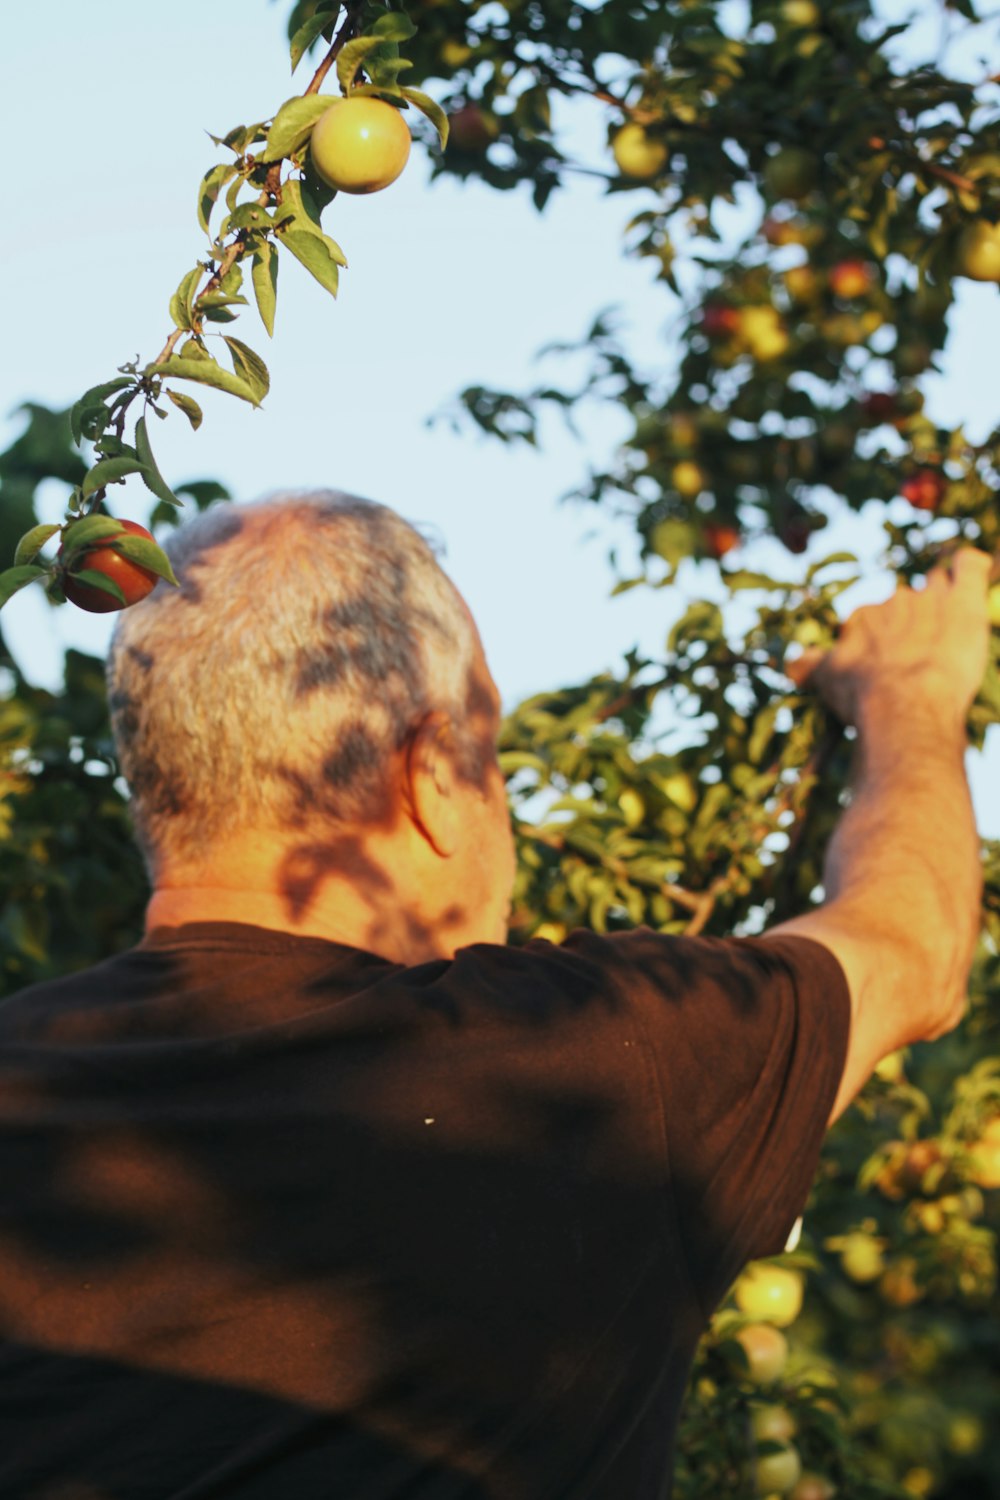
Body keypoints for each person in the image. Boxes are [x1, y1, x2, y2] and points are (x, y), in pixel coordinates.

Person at [0, 491, 989, 1500]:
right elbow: (911, 940)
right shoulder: (587, 1072)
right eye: (492, 758)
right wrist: (911, 695)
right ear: (431, 774)